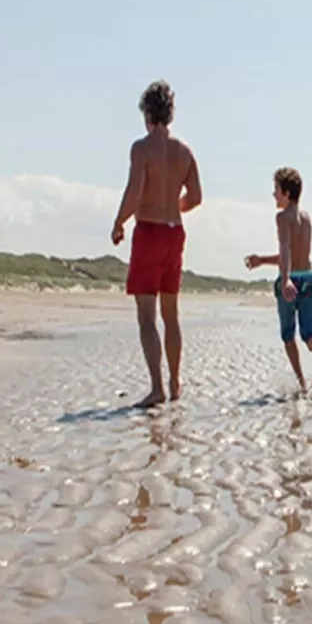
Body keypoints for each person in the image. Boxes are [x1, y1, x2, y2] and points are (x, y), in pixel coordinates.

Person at [111, 81, 202, 407]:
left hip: (149, 231)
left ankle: (157, 387)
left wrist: (119, 222)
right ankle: (176, 383)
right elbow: (196, 197)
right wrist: (173, 207)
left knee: (147, 317)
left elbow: (135, 190)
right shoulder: (185, 152)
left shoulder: (142, 148)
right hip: (175, 232)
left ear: (148, 113)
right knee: (171, 315)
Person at [245, 167, 312, 392]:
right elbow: (294, 255)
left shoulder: (282, 218)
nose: (273, 194)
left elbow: (285, 249)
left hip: (291, 281)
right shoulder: (306, 218)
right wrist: (262, 260)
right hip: (309, 278)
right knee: (309, 334)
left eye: (276, 189)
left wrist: (285, 280)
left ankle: (302, 383)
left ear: (286, 193)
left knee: (288, 336)